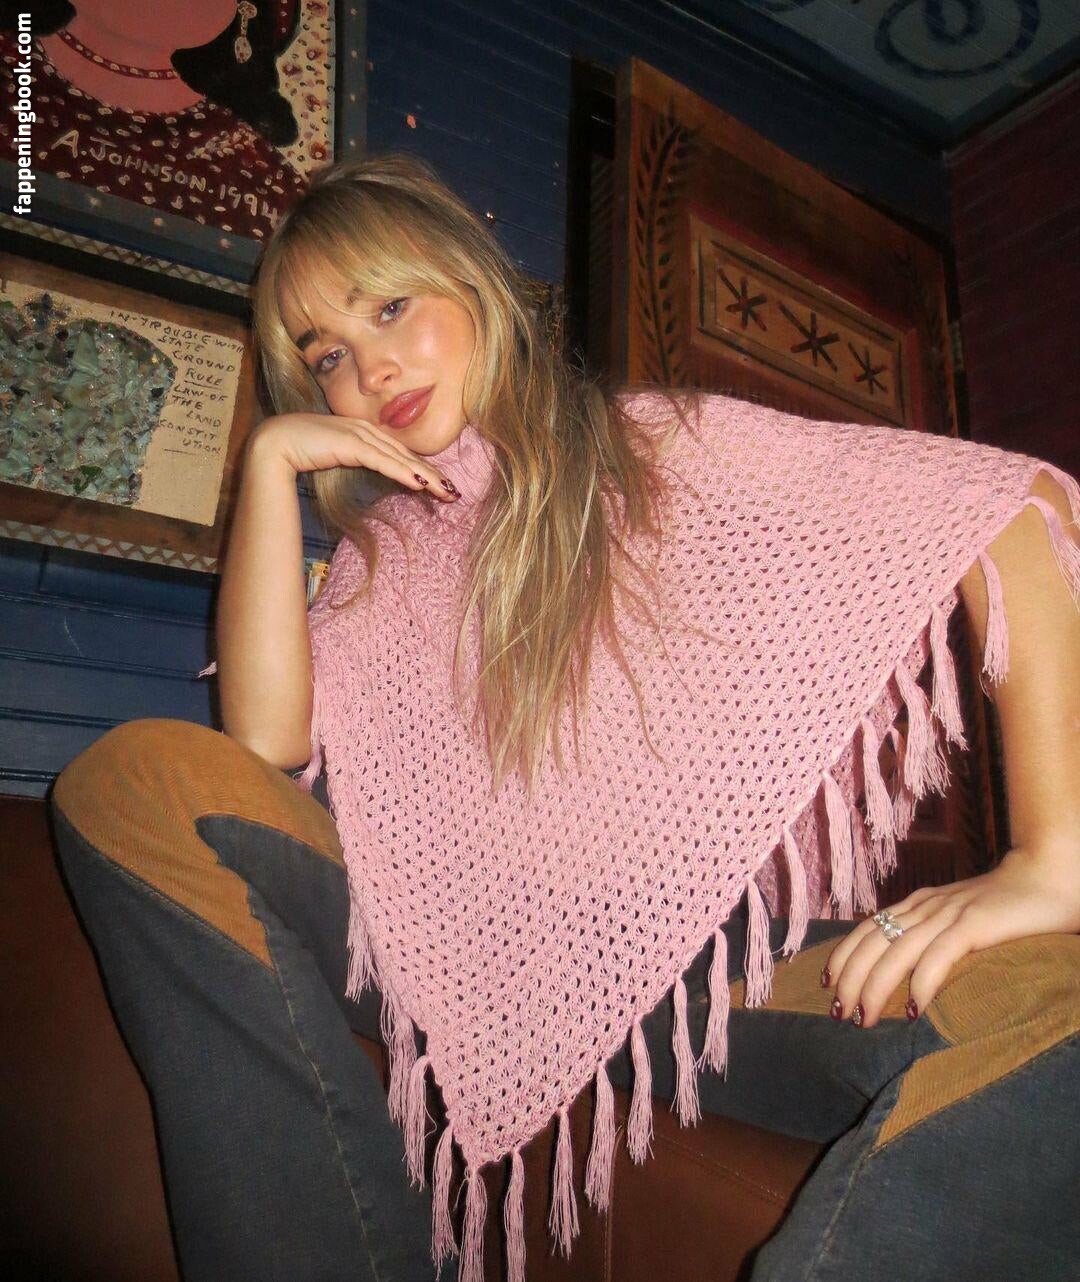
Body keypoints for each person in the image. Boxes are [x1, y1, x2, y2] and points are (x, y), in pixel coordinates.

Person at [49, 154, 1080, 1282]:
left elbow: (1015, 504)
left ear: (476, 285)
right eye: (326, 355)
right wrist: (268, 461)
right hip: (444, 961)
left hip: (708, 978)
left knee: (1061, 1006)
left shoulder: (653, 448)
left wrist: (1055, 858)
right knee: (132, 781)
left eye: (389, 307)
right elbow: (260, 747)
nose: (370, 366)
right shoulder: (371, 569)